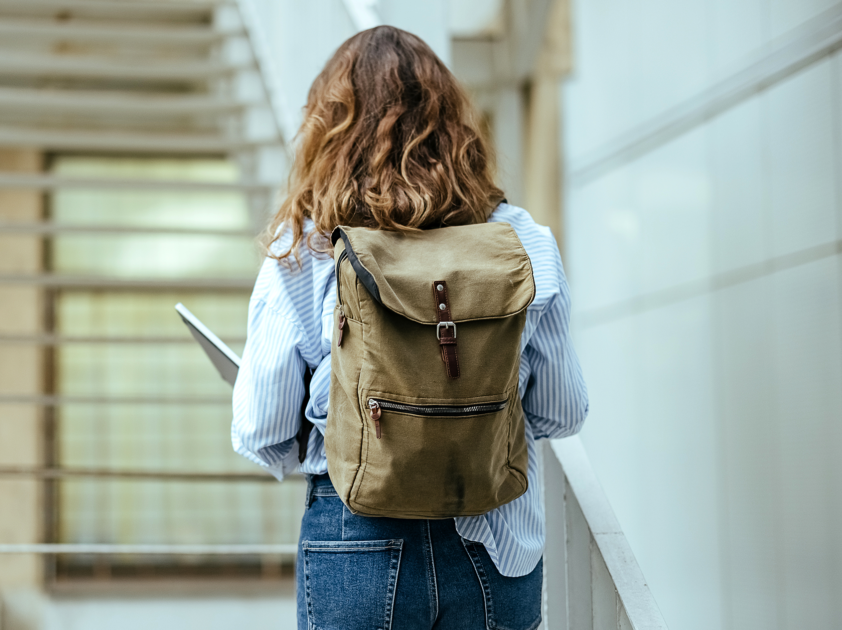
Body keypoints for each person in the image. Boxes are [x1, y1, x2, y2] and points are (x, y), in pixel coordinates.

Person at [230, 25, 588, 630]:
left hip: (357, 541)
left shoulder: (307, 247)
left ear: (328, 130)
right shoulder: (522, 241)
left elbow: (262, 429)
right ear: (455, 125)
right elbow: (563, 411)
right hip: (495, 547)